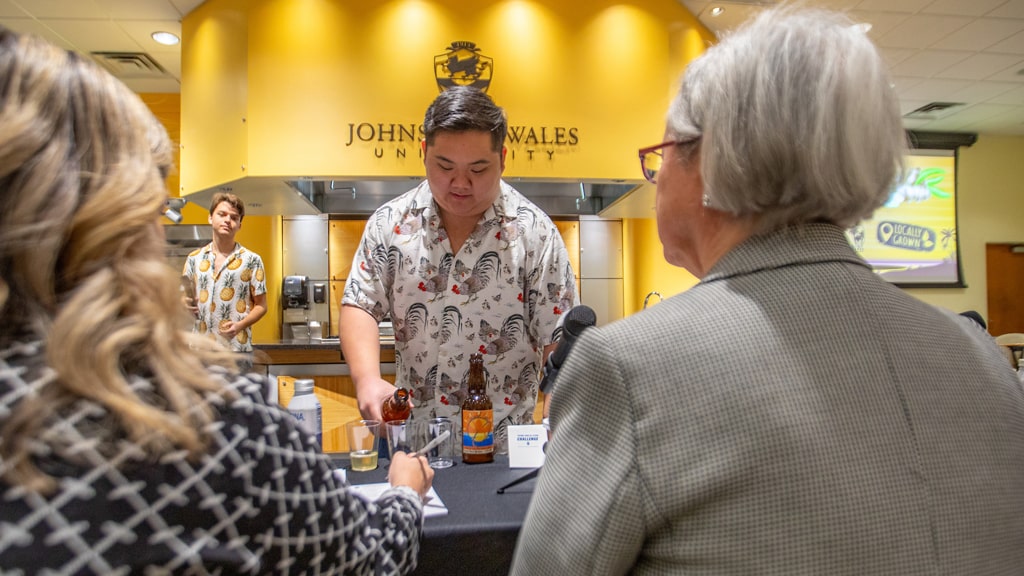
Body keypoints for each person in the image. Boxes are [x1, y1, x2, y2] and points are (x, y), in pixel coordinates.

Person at [512, 7, 1024, 575]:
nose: (654, 186)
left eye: (658, 160)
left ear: (707, 160)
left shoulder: (628, 368)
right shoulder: (981, 357)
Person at [0, 26, 433, 575]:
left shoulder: (250, 266)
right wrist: (404, 493)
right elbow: (366, 562)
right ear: (127, 221)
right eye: (158, 209)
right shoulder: (221, 427)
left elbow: (256, 307)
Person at [340, 86, 579, 449]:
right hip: (411, 443)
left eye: (478, 169)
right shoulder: (389, 224)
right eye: (445, 166)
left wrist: (556, 411)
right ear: (423, 153)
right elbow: (360, 304)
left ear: (503, 158)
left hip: (502, 450)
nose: (460, 183)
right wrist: (367, 379)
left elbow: (558, 338)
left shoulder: (536, 234)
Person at [183, 192, 267, 368]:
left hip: (237, 350)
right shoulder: (194, 259)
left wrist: (239, 325)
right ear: (210, 218)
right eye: (222, 214)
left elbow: (261, 306)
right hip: (200, 349)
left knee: (237, 396)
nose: (228, 220)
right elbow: (182, 300)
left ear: (239, 225)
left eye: (234, 217)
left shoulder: (252, 260)